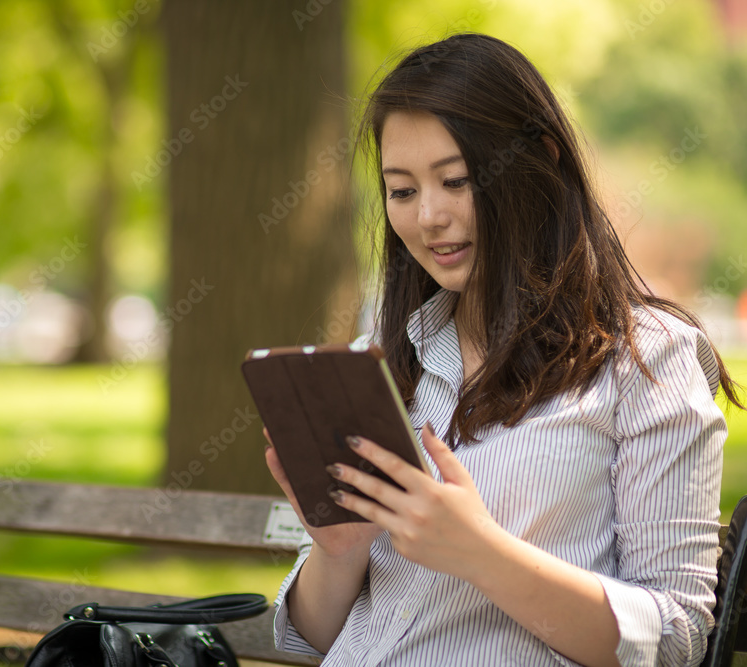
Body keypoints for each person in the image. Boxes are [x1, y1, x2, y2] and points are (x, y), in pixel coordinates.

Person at [264, 33, 744, 667]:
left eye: (455, 181)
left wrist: (481, 554)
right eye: (402, 191)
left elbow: (676, 639)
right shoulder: (378, 361)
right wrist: (340, 551)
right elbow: (321, 637)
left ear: (541, 161)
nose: (428, 216)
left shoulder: (647, 360)